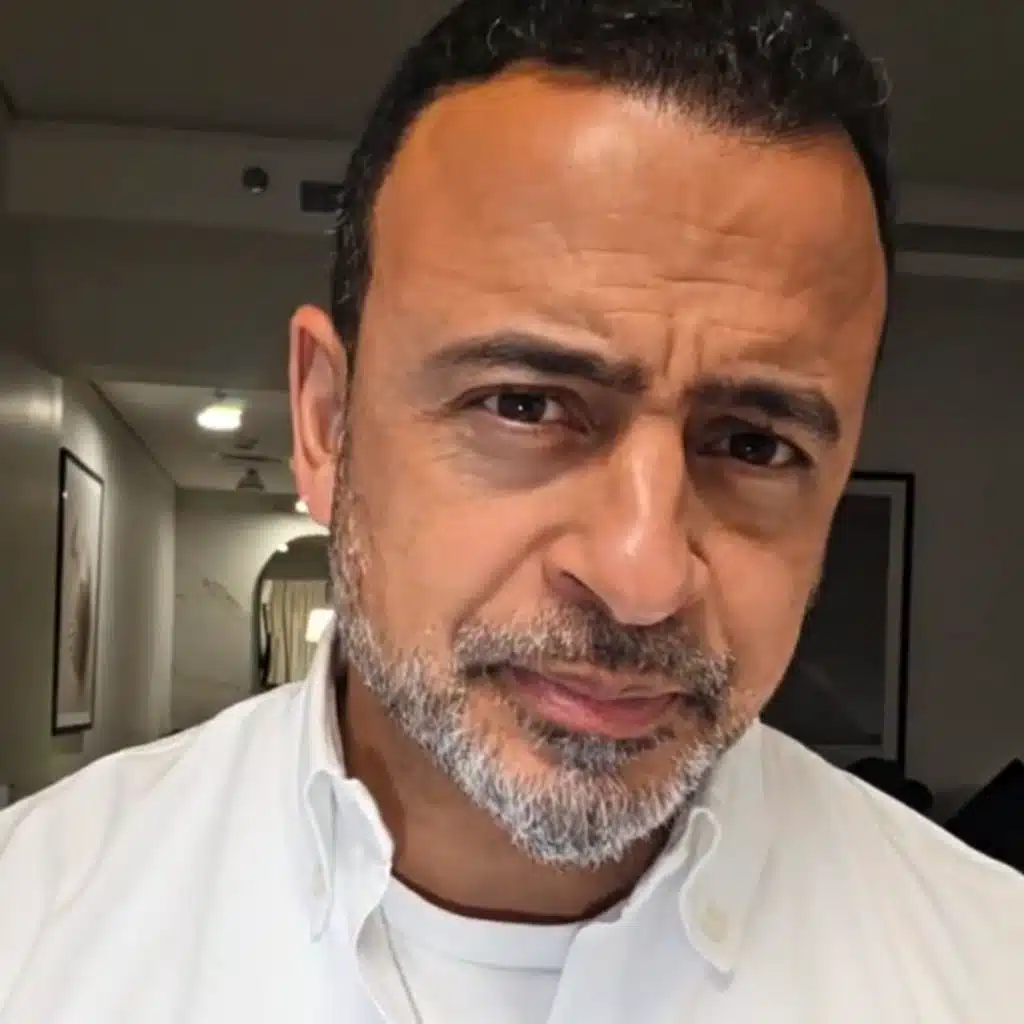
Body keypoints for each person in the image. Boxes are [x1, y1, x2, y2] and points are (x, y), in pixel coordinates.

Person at [1, 1, 1021, 1020]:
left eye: (754, 445)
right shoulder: (34, 930)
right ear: (324, 424)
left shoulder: (986, 967)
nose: (641, 576)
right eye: (524, 406)